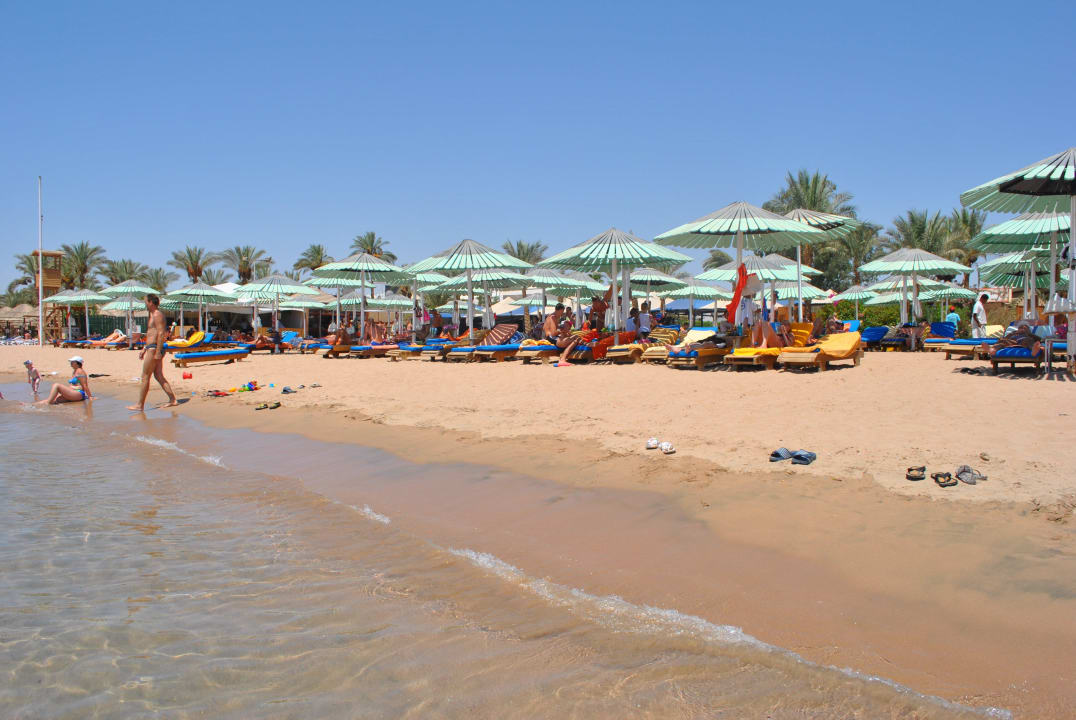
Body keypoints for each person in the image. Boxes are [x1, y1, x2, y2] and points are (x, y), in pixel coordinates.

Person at [128, 294, 178, 411]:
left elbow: (161, 333)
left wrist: (157, 352)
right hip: (151, 347)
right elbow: (151, 333)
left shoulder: (157, 315)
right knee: (158, 375)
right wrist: (144, 348)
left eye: (145, 301)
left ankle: (140, 405)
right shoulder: (152, 315)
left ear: (151, 302)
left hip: (155, 348)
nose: (145, 303)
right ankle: (173, 400)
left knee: (145, 376)